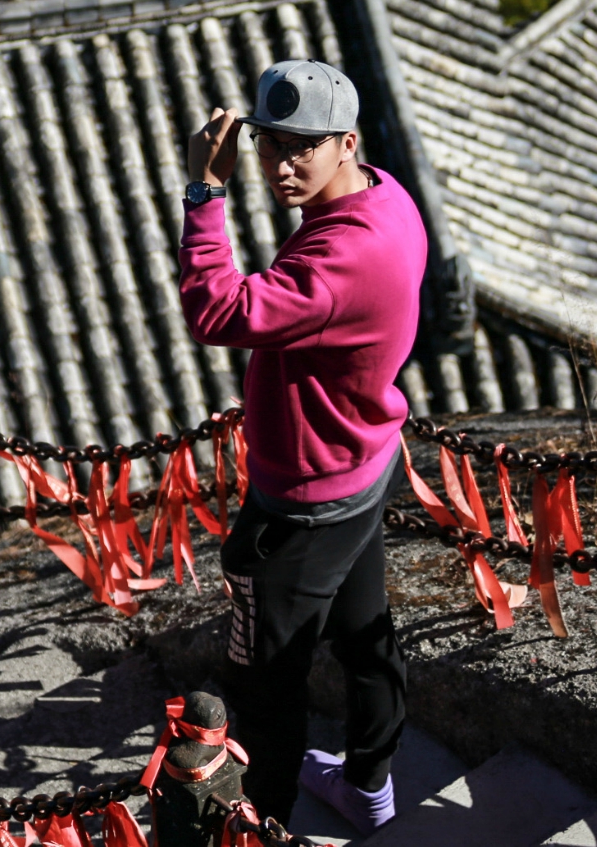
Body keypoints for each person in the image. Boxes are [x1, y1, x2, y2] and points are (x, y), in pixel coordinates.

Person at [178, 59, 428, 831]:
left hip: (306, 498)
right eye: (270, 144)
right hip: (362, 459)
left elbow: (218, 313)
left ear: (347, 142)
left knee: (264, 683)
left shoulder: (342, 256)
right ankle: (369, 786)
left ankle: (266, 825)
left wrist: (204, 193)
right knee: (364, 632)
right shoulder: (385, 196)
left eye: (303, 147)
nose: (282, 165)